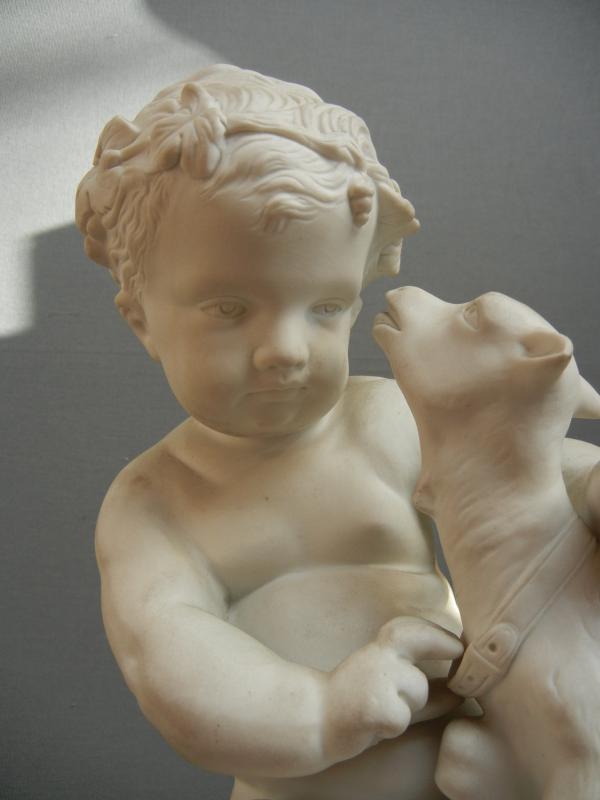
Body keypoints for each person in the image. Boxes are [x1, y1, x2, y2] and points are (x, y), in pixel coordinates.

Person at [75, 65, 600, 800]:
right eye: (230, 309)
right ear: (142, 319)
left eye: (325, 307)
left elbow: (521, 470)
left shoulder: (386, 419)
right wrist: (324, 712)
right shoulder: (154, 503)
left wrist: (588, 484)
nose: (286, 350)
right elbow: (169, 662)